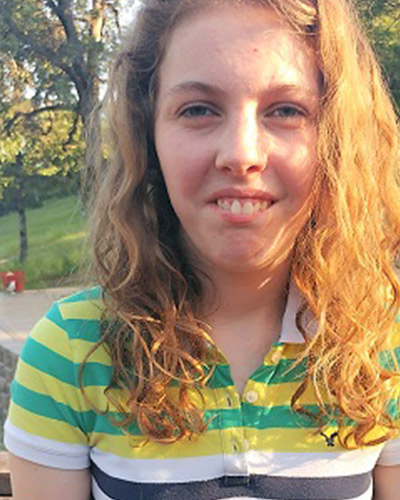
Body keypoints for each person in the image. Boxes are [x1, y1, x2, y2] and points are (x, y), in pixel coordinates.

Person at [4, 0, 400, 498]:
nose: (241, 154)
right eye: (198, 109)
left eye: (286, 110)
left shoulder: (385, 342)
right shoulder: (69, 351)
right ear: (148, 136)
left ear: (336, 137)